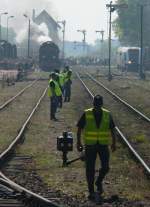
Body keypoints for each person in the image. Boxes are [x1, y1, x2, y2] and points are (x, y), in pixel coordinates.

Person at [76, 95, 116, 202]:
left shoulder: (107, 114)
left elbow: (112, 129)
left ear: (101, 104)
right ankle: (91, 190)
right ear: (94, 104)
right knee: (90, 169)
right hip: (90, 145)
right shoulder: (87, 113)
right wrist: (78, 142)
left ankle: (98, 181)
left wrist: (114, 143)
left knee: (106, 167)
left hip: (103, 145)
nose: (97, 107)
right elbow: (79, 127)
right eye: (96, 105)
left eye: (99, 105)